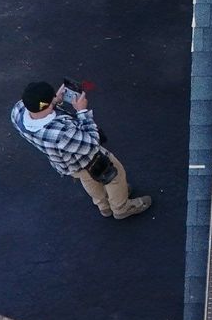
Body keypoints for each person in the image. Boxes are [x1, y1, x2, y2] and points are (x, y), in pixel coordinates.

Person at [11, 80, 151, 219]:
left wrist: (55, 101)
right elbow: (92, 142)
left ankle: (104, 206)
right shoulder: (61, 132)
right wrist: (82, 111)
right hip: (87, 157)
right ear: (47, 104)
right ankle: (121, 208)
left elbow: (42, 108)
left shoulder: (17, 111)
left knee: (89, 180)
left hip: (69, 165)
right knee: (115, 176)